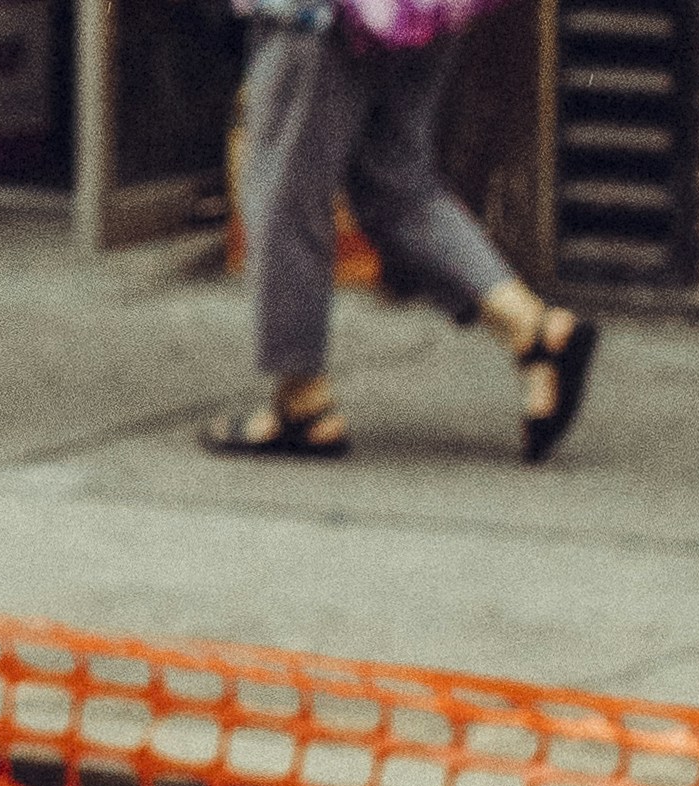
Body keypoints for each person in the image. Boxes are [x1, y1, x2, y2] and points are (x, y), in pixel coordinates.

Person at [203, 0, 601, 464]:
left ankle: (301, 401)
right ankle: (536, 331)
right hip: (422, 12)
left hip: (320, 16)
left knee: (287, 193)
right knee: (397, 187)